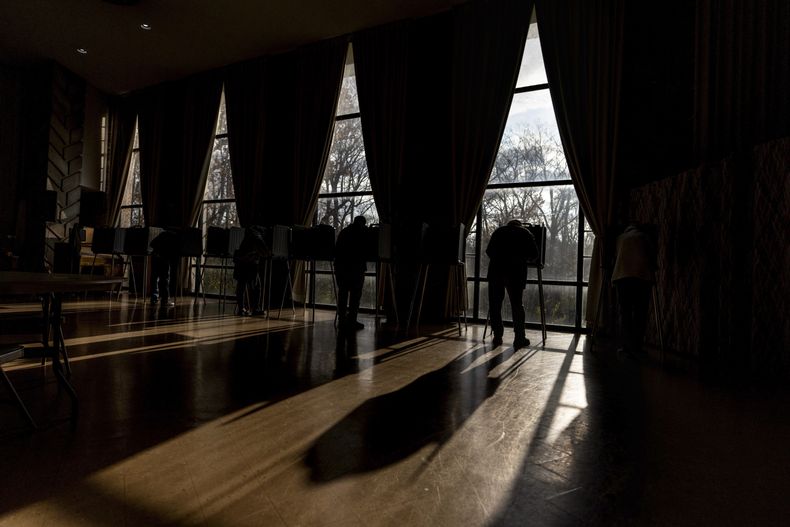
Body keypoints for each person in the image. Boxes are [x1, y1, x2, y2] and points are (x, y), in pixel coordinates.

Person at [486, 219, 538, 349]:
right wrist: (522, 258)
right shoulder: (526, 233)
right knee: (517, 305)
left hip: (496, 272)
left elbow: (489, 252)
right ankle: (519, 338)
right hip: (516, 273)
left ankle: (498, 336)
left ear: (508, 224)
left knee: (495, 305)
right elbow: (534, 255)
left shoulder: (498, 232)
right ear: (519, 225)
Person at [612, 223, 656, 357]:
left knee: (624, 313)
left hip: (622, 278)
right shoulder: (644, 237)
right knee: (640, 313)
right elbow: (652, 258)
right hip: (642, 278)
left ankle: (625, 346)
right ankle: (637, 346)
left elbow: (615, 258)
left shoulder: (620, 238)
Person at [334, 216, 368, 331]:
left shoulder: (344, 232)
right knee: (355, 297)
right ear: (362, 224)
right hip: (356, 269)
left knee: (343, 295)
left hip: (341, 269)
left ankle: (342, 320)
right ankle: (352, 320)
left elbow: (337, 251)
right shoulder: (362, 234)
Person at [150, 228, 180, 308]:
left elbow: (152, 244)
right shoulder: (175, 237)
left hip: (155, 256)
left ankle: (154, 298)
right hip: (164, 258)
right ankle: (165, 300)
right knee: (165, 279)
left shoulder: (163, 234)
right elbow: (175, 252)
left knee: (154, 278)